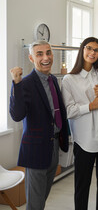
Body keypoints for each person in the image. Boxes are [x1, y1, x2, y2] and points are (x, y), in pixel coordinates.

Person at [61, 37, 98, 210]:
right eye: (89, 48)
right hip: (85, 141)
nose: (92, 53)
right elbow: (69, 111)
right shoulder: (69, 79)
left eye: (96, 50)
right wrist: (90, 106)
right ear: (82, 50)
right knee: (82, 187)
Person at [9, 40, 69, 210]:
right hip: (35, 150)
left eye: (48, 53)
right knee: (35, 204)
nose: (46, 57)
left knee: (42, 198)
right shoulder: (24, 83)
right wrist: (16, 84)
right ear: (31, 58)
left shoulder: (53, 80)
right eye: (40, 54)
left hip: (54, 145)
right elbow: (17, 115)